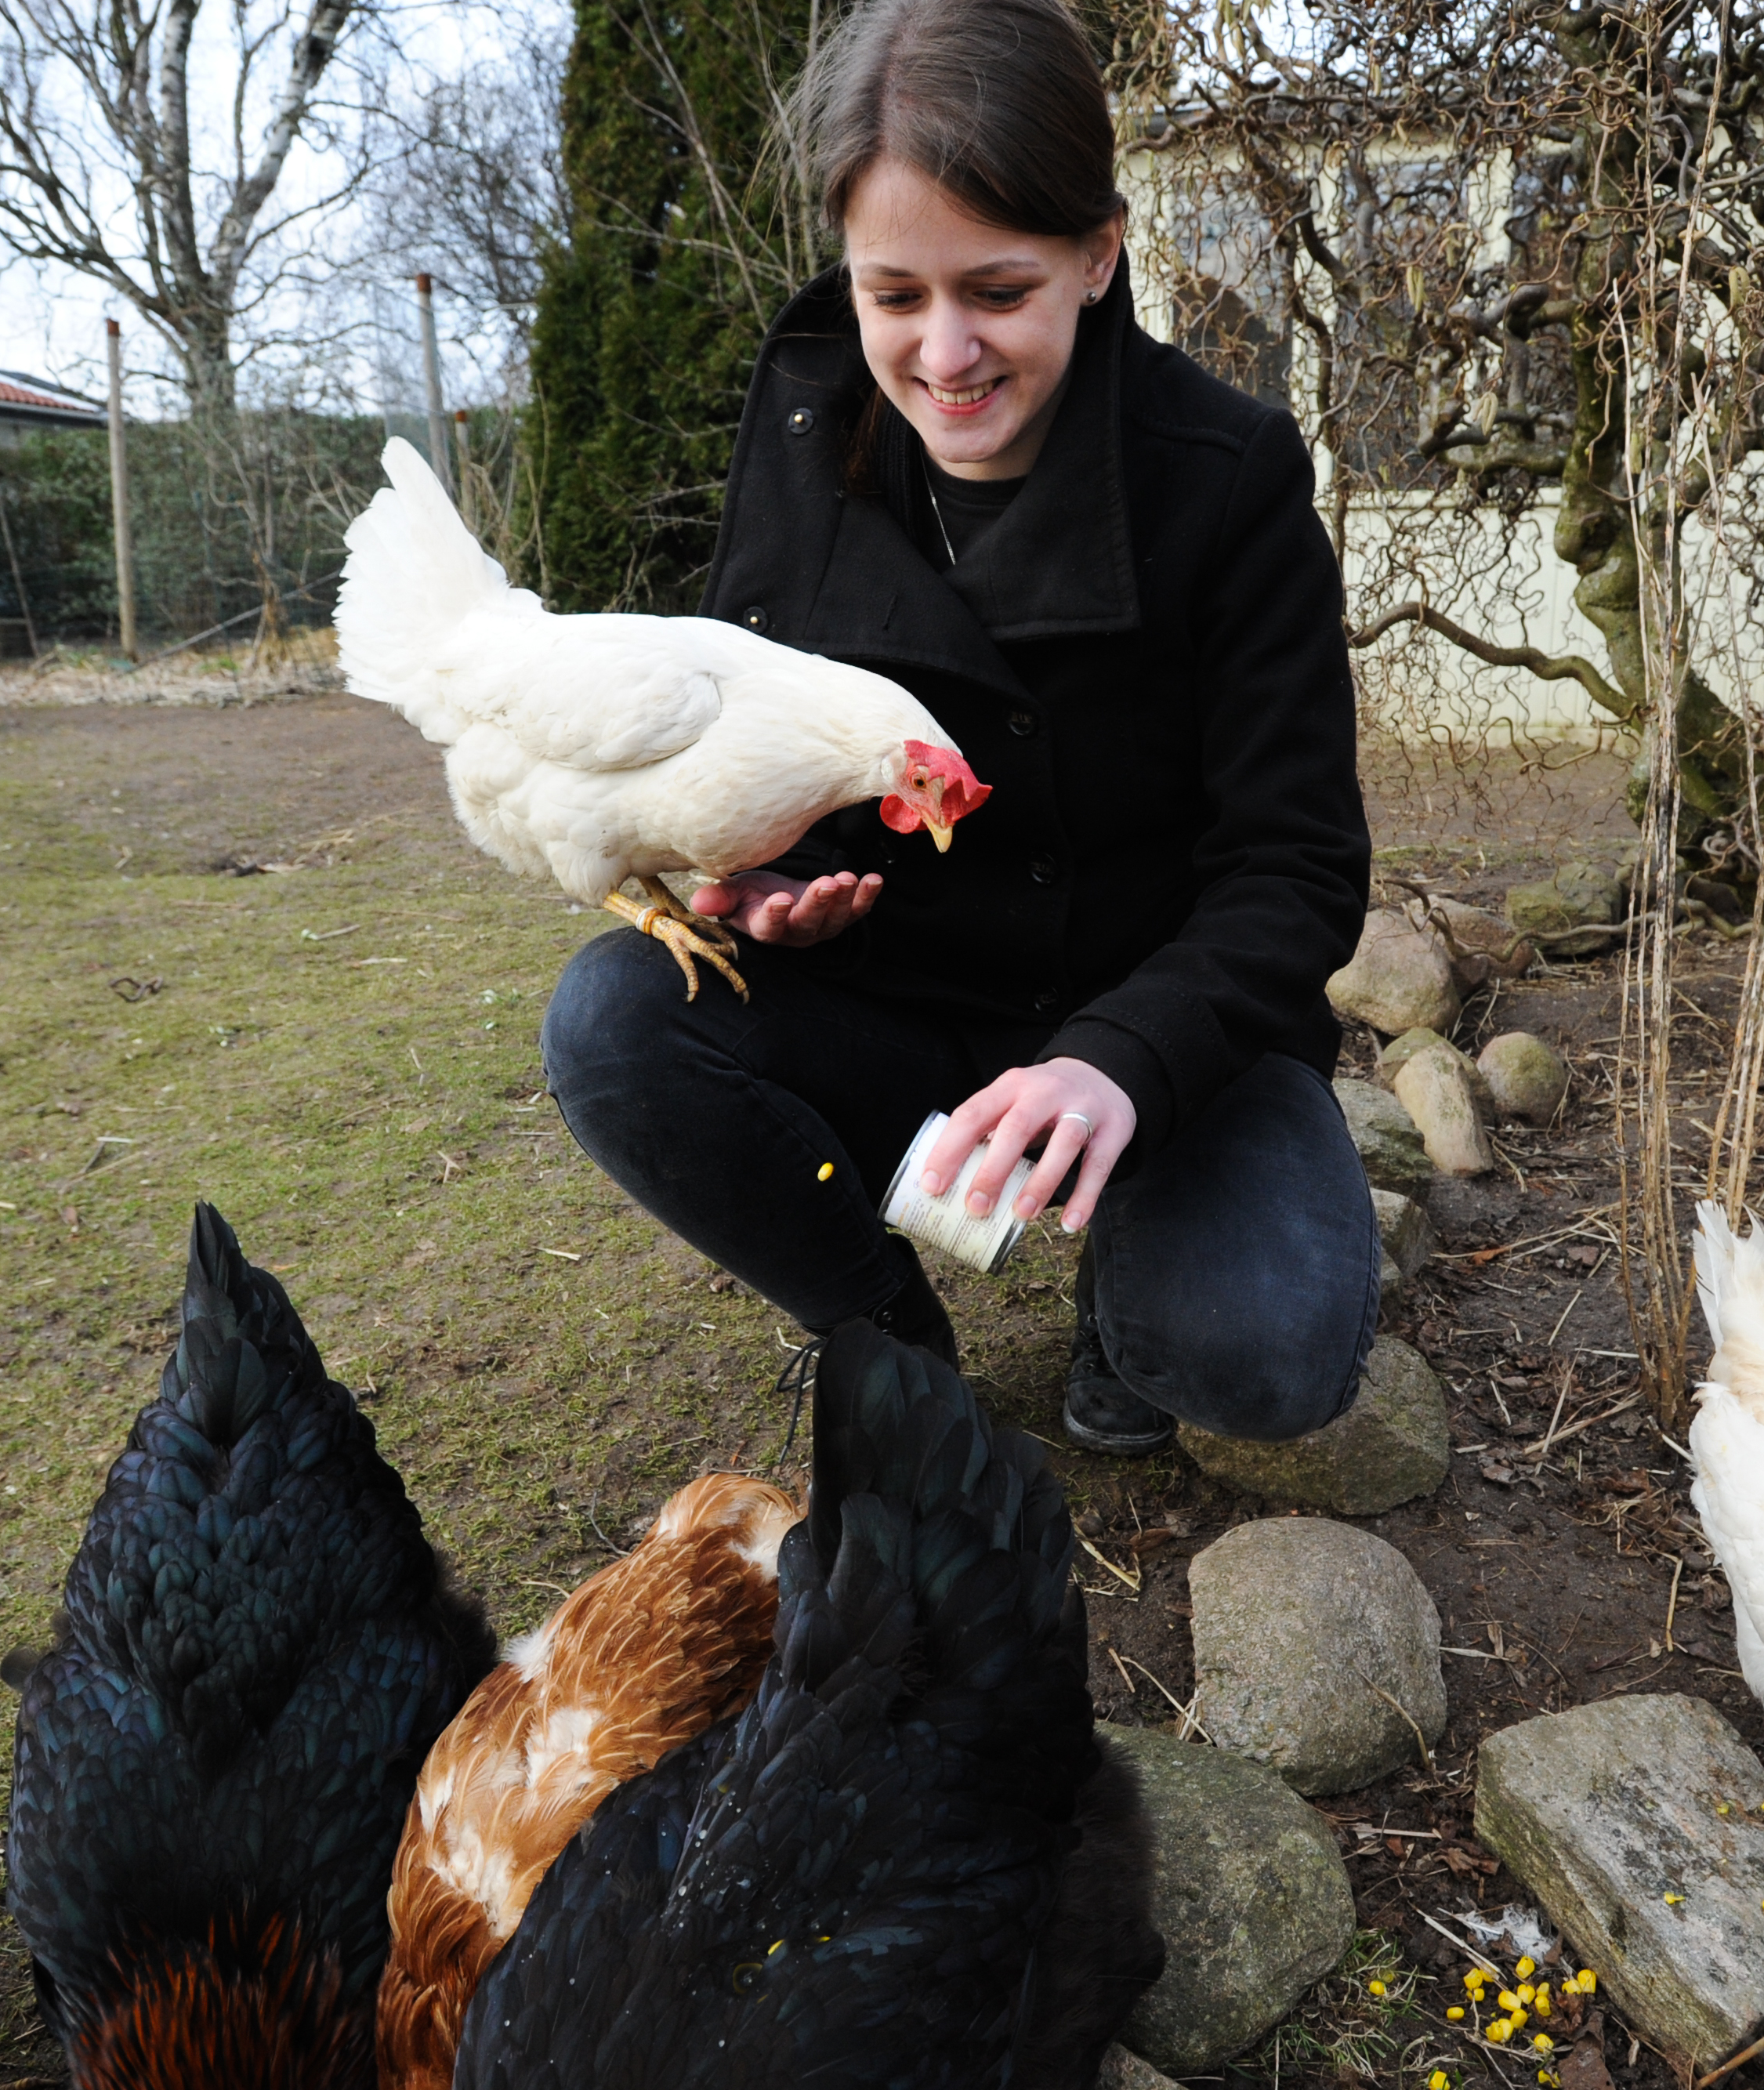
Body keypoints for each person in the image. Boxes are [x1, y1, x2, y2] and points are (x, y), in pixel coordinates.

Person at [540, 0, 1378, 1454]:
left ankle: (1128, 1309)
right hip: (911, 1008)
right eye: (893, 295)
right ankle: (885, 1336)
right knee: (616, 1023)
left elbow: (1295, 869)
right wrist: (773, 892)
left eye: (998, 289)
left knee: (1262, 1361)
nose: (943, 353)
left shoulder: (1224, 477)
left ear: (1099, 254)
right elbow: (767, 754)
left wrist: (1118, 1062)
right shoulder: (802, 440)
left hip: (1166, 1028)